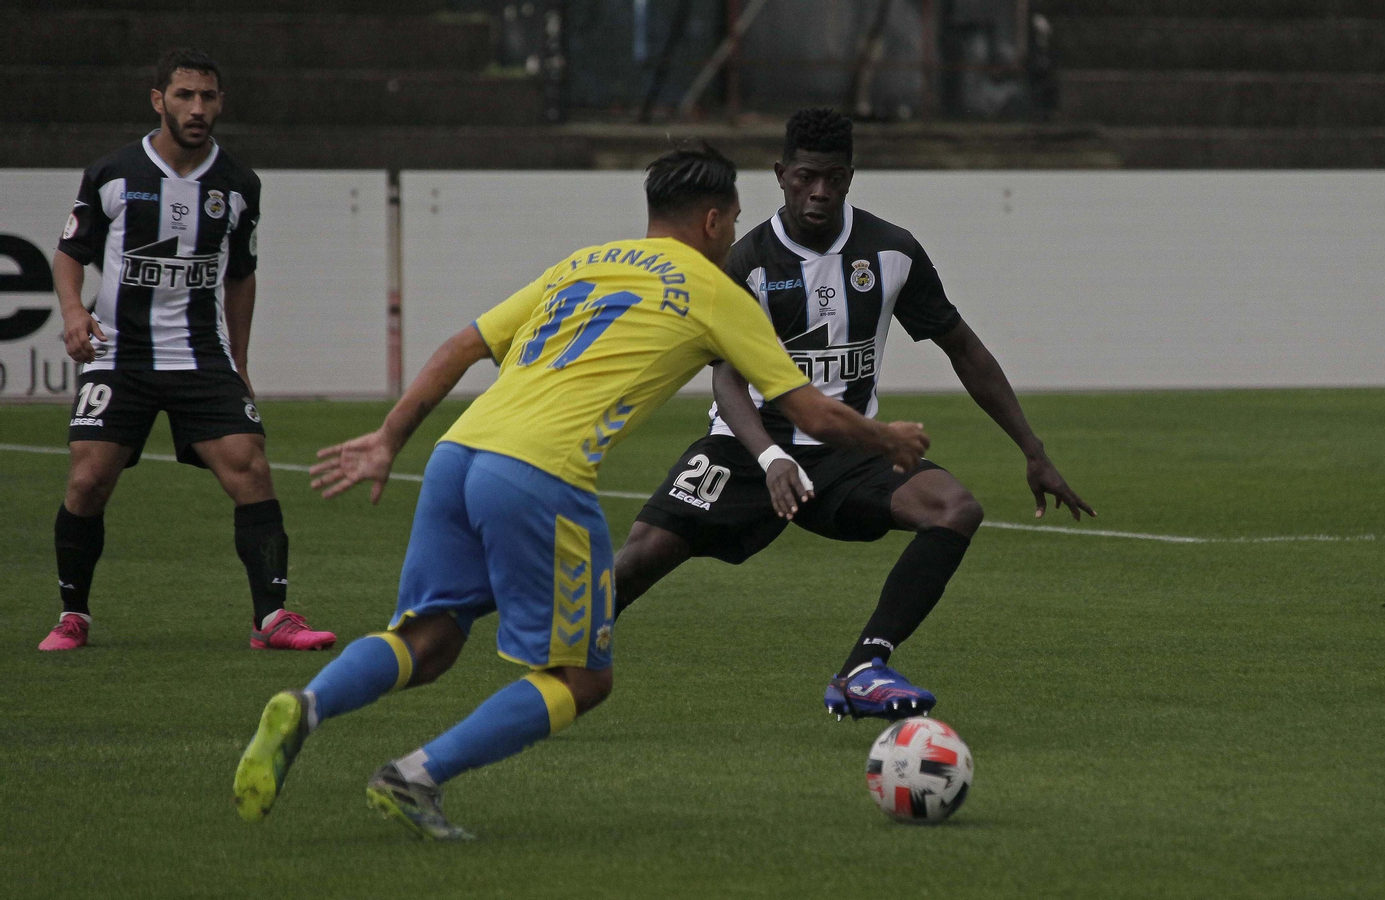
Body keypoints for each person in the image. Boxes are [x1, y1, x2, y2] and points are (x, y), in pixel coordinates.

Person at [230, 144, 929, 840]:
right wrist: (887, 438)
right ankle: (413, 776)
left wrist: (388, 439)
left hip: (458, 455)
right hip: (541, 473)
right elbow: (809, 412)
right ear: (715, 221)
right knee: (583, 679)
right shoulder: (719, 291)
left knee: (430, 638)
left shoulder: (584, 262)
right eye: (735, 219)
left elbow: (462, 345)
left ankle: (307, 704)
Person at [615, 108, 1095, 721]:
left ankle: (863, 668)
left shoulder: (890, 251)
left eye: (834, 178)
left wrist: (1033, 449)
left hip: (847, 451)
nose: (819, 192)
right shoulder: (747, 262)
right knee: (639, 558)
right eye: (806, 178)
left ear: (850, 177)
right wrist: (769, 457)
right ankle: (558, 659)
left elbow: (964, 348)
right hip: (747, 447)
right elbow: (726, 378)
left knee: (955, 508)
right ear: (781, 174)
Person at [39, 48, 334, 653]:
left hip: (201, 355)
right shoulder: (113, 174)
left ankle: (271, 619)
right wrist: (74, 313)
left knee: (250, 467)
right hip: (120, 353)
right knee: (89, 478)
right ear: (159, 100)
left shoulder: (239, 184)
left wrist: (241, 363)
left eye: (207, 97)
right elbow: (70, 253)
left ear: (220, 103)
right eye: (184, 96)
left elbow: (241, 275)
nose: (197, 108)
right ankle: (74, 616)